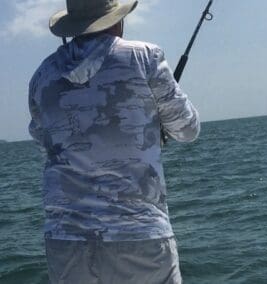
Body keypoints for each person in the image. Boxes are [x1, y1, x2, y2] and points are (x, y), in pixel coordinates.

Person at [28, 0, 200, 283]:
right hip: (140, 237)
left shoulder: (42, 76)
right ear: (117, 19)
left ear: (72, 27)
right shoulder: (145, 58)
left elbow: (43, 139)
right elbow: (187, 129)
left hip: (66, 242)